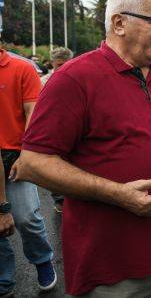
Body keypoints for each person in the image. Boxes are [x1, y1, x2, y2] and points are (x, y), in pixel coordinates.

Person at [14, 0, 151, 297]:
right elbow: (32, 164)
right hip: (115, 261)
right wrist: (118, 193)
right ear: (119, 23)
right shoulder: (74, 78)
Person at [0, 45, 57, 296]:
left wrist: (27, 155)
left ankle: (43, 261)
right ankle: (4, 278)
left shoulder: (20, 68)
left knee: (26, 217)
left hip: (15, 158)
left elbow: (33, 115)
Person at [38, 47, 74, 212]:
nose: (62, 67)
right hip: (52, 129)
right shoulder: (44, 81)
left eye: (65, 63)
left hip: (74, 127)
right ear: (52, 63)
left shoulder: (80, 78)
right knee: (55, 164)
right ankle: (59, 199)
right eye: (59, 64)